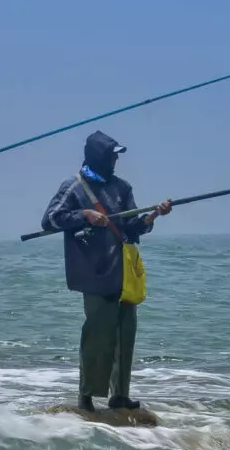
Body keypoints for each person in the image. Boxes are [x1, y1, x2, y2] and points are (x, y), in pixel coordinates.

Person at [40, 131, 172, 412]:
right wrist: (84, 215)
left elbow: (133, 228)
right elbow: (50, 219)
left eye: (117, 156)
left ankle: (120, 396)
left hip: (123, 272)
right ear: (98, 156)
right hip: (94, 272)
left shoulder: (122, 187)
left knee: (126, 334)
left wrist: (154, 215)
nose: (116, 160)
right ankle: (86, 396)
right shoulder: (74, 187)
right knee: (98, 335)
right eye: (112, 155)